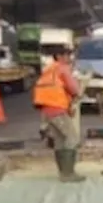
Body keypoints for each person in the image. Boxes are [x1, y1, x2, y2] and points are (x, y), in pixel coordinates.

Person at [31, 43, 85, 183]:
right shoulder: (62, 69)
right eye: (67, 55)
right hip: (57, 110)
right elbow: (73, 89)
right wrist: (79, 91)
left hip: (48, 110)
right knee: (72, 138)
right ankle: (68, 173)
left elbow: (56, 90)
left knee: (60, 140)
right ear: (60, 56)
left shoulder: (50, 69)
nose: (69, 58)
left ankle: (63, 173)